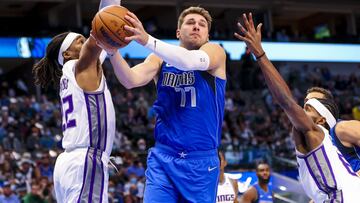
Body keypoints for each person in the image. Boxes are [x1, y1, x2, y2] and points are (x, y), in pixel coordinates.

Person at [93, 6, 226, 202]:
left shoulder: (215, 52)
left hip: (201, 162)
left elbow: (188, 62)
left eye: (202, 24)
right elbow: (130, 80)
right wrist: (113, 52)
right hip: (164, 158)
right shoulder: (159, 59)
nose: (196, 27)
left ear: (207, 35)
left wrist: (146, 39)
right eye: (190, 23)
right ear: (178, 32)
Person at [234, 12, 360, 202]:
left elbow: (286, 101)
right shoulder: (323, 143)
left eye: (309, 107)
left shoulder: (332, 129)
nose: (302, 108)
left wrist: (260, 54)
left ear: (322, 118)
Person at [32, 0, 121, 202]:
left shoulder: (72, 73)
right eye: (80, 41)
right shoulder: (79, 66)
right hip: (85, 161)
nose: (87, 42)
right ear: (67, 54)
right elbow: (101, 30)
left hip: (71, 162)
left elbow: (101, 45)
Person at [305, 87, 360, 176]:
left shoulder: (341, 128)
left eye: (314, 101)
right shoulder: (311, 141)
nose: (308, 105)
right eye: (306, 101)